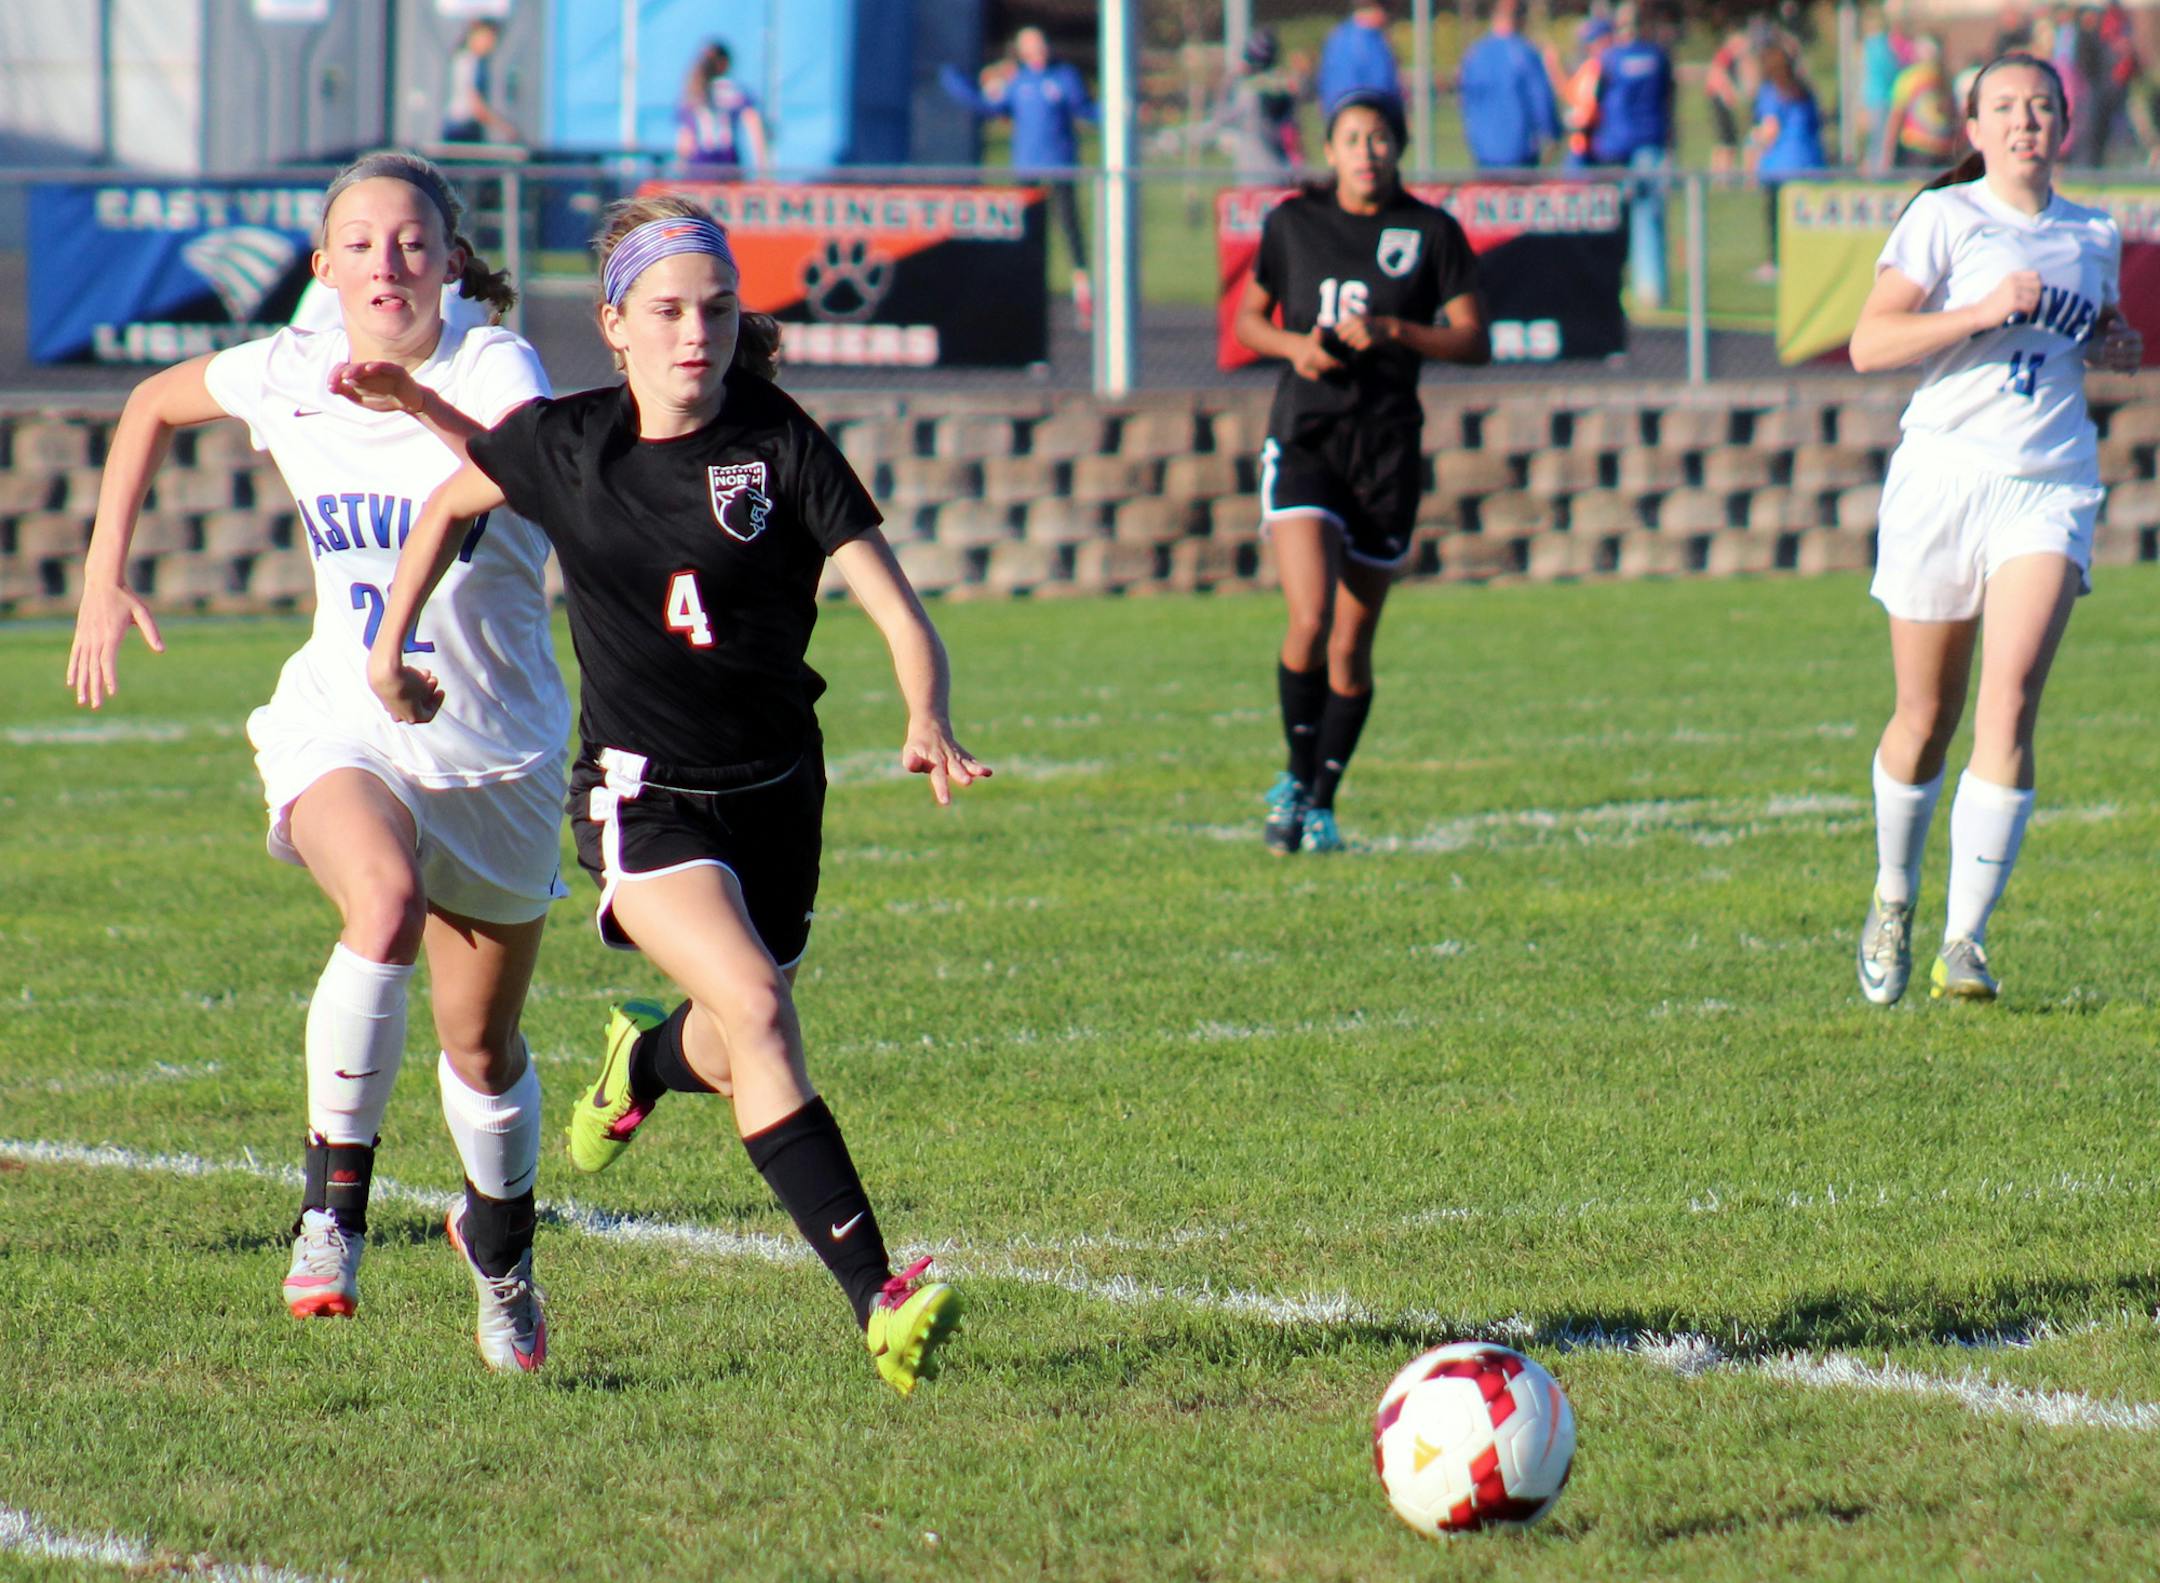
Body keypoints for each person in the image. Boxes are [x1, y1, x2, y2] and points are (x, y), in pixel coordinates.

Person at [364, 196, 987, 1395]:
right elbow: (450, 501)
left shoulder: (780, 441)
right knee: (758, 1006)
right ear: (616, 325)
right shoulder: (570, 443)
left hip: (779, 792)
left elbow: (893, 598)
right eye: (667, 311)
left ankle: (641, 1069)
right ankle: (880, 1296)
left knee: (733, 1030)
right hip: (643, 797)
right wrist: (392, 647)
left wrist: (927, 712)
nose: (695, 333)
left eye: (716, 309)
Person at [65, 152, 565, 1370]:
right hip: (346, 715)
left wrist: (412, 403)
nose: (388, 262)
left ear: (451, 261)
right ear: (322, 266)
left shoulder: (495, 364)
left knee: (481, 1049)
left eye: (412, 242)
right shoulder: (288, 369)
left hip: (494, 751)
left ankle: (500, 1251)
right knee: (381, 902)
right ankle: (331, 1211)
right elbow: (147, 406)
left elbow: (490, 472)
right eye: (362, 242)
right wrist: (101, 573)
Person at [1849, 52, 2141, 1006]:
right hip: (1943, 478)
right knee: (1925, 719)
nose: (2026, 122)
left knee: (2010, 700)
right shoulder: (1945, 217)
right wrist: (1975, 311)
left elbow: (2096, 331)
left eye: (2042, 107)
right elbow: (1869, 344)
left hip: (2047, 484)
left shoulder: (2095, 232)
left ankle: (1963, 941)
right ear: (1972, 131)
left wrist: (2115, 343)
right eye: (2005, 109)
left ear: (2065, 125)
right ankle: (1894, 895)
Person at [1232, 91, 1489, 855]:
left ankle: (1320, 798)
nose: (1367, 151)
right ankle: (1293, 777)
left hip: (1386, 450)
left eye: (1380, 138)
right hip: (1307, 436)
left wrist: (1394, 330)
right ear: (1331, 148)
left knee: (1350, 643)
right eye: (1351, 138)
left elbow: (1474, 339)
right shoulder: (1293, 223)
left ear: (1400, 145)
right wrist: (1292, 349)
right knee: (1308, 619)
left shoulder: (1432, 231)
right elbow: (1249, 317)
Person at [940, 27, 1098, 322]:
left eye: (1041, 46)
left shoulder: (1064, 77)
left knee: (1070, 228)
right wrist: (955, 84)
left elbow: (1086, 110)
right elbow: (988, 106)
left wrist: (1118, 113)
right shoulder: (1018, 82)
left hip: (1061, 166)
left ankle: (1083, 295)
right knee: (1026, 234)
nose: (1038, 52)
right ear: (1023, 52)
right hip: (1027, 168)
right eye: (1032, 48)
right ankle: (1025, 298)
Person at [1591, 3, 1673, 310]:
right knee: (1649, 217)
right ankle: (1651, 289)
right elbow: (1668, 98)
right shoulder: (1658, 56)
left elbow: (1593, 98)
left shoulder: (1610, 59)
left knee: (1613, 220)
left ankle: (1612, 284)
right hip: (1650, 143)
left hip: (1615, 146)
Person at [1750, 41, 1824, 281]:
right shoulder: (1805, 91)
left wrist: (1752, 143)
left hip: (1780, 166)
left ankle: (1777, 262)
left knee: (1776, 218)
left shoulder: (1772, 92)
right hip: (1810, 163)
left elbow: (1769, 129)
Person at [1457, 0, 1562, 170]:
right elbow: (1541, 100)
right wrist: (1553, 134)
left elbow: (1466, 102)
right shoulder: (1525, 53)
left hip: (1484, 152)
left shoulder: (1475, 54)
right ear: (1521, 18)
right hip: (1520, 152)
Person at [675, 40, 769, 176]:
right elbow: (754, 126)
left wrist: (680, 168)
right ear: (725, 63)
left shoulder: (693, 92)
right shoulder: (734, 91)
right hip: (727, 163)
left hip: (699, 165)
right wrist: (762, 168)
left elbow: (685, 140)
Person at [1879, 35, 1960, 171]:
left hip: (1916, 146)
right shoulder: (1945, 77)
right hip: (1943, 147)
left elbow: (1897, 115)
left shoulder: (1908, 77)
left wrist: (1888, 152)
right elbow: (1953, 112)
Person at [442, 20, 520, 146]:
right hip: (461, 130)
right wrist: (505, 128)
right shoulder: (467, 62)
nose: (490, 45)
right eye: (487, 39)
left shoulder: (470, 61)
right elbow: (476, 106)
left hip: (465, 128)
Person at [1316, 2, 1402, 114]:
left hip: (1343, 113)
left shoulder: (1340, 35)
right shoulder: (1364, 41)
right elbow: (1381, 86)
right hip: (1362, 112)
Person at [1705, 24, 1757, 178]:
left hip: (1720, 99)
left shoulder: (1731, 57)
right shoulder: (1725, 55)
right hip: (1719, 100)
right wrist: (1729, 93)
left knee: (1727, 139)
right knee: (1726, 140)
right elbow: (1717, 74)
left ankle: (1722, 174)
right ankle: (1720, 175)